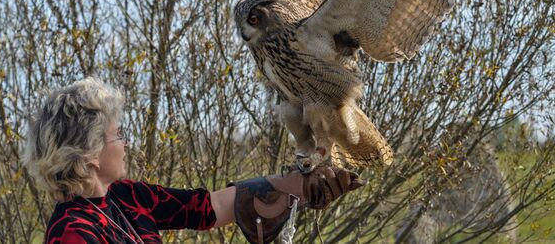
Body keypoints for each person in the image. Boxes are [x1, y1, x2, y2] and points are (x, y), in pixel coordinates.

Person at [23, 77, 364, 244]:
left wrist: (292, 186)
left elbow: (207, 207)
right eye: (119, 135)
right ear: (91, 155)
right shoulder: (71, 234)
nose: (127, 144)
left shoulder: (126, 198)